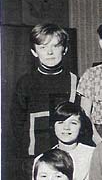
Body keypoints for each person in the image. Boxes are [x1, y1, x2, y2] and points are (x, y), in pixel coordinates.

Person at [13, 23, 77, 159]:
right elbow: (17, 124)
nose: (49, 52)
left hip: (68, 154)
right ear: (34, 52)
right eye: (43, 47)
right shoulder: (25, 83)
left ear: (65, 49)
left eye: (56, 46)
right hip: (34, 156)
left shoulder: (74, 80)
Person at [32, 102, 95, 180]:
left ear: (81, 126)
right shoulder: (41, 159)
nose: (66, 128)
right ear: (53, 125)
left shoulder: (93, 155)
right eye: (61, 122)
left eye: (73, 123)